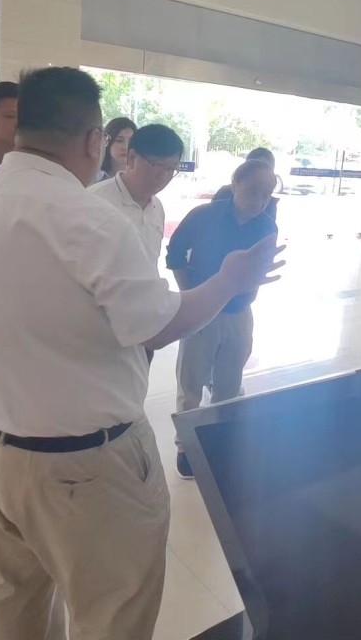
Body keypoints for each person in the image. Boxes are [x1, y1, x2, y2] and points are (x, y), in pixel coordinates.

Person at [0, 66, 281, 640]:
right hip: (79, 468)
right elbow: (158, 326)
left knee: (16, 606)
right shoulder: (88, 216)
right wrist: (229, 282)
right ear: (97, 141)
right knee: (112, 613)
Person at [167, 160, 279, 478]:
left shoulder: (267, 227)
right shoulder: (204, 216)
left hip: (239, 313)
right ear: (235, 184)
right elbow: (175, 253)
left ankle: (219, 441)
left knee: (229, 385)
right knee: (190, 385)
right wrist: (190, 294)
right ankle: (186, 447)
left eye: (266, 194)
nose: (259, 200)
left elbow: (262, 268)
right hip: (201, 311)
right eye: (253, 191)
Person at [91, 123, 183, 266]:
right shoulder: (95, 201)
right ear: (132, 158)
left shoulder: (157, 208)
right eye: (157, 165)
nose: (163, 176)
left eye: (171, 168)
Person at [211, 146, 280, 220]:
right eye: (253, 193)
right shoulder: (223, 195)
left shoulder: (270, 210)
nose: (258, 202)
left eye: (266, 195)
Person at [97, 116, 136, 182]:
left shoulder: (140, 179)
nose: (126, 147)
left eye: (131, 141)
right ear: (107, 142)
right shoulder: (95, 178)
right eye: (119, 141)